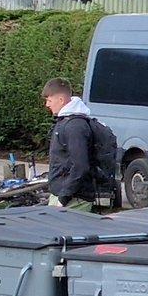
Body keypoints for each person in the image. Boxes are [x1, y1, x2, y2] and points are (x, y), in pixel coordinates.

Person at [42, 79, 97, 208]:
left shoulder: (74, 126)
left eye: (49, 100)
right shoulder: (65, 122)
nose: (47, 105)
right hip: (63, 196)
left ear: (61, 100)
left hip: (74, 200)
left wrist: (63, 198)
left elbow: (80, 166)